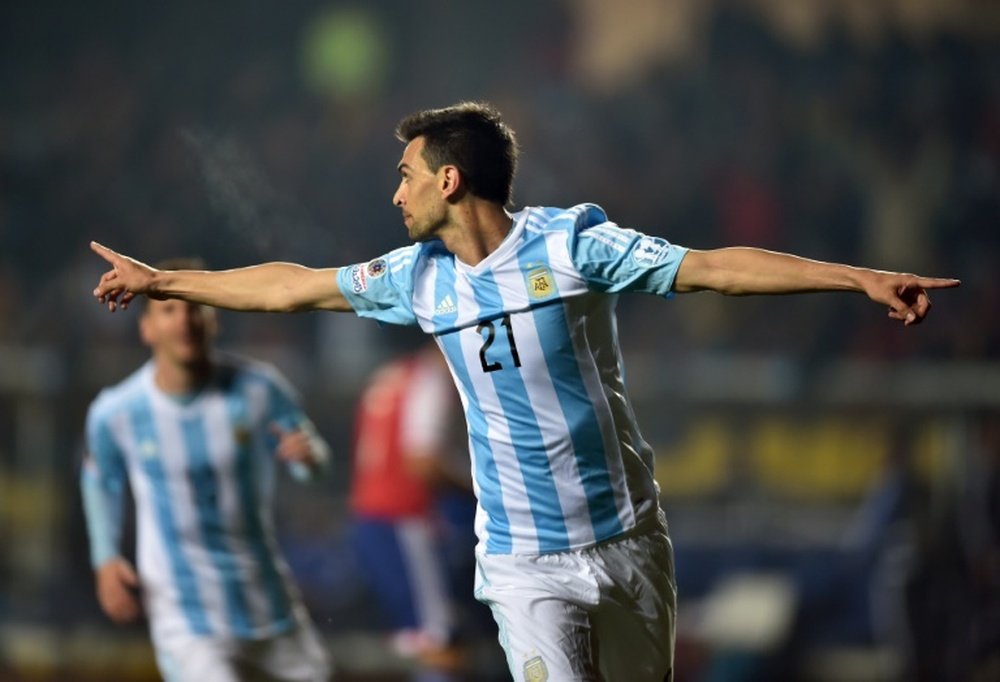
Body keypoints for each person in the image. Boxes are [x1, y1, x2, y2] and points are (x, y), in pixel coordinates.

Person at [89, 102, 960, 682]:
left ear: (449, 180)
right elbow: (289, 286)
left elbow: (715, 269)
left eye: (404, 173)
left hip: (627, 544)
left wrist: (856, 279)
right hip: (521, 562)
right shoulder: (413, 277)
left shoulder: (574, 247)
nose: (392, 192)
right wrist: (165, 280)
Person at [81, 258, 334, 682]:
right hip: (187, 620)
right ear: (146, 328)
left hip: (269, 606)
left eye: (194, 307)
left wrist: (309, 459)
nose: (184, 320)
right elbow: (100, 480)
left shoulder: (259, 388)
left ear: (213, 319)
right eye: (168, 307)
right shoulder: (117, 411)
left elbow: (315, 463)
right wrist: (105, 559)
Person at [349, 338, 482, 675]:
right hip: (403, 521)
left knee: (418, 636)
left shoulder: (392, 374)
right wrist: (479, 491)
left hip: (371, 519)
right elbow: (421, 460)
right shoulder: (431, 379)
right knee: (440, 642)